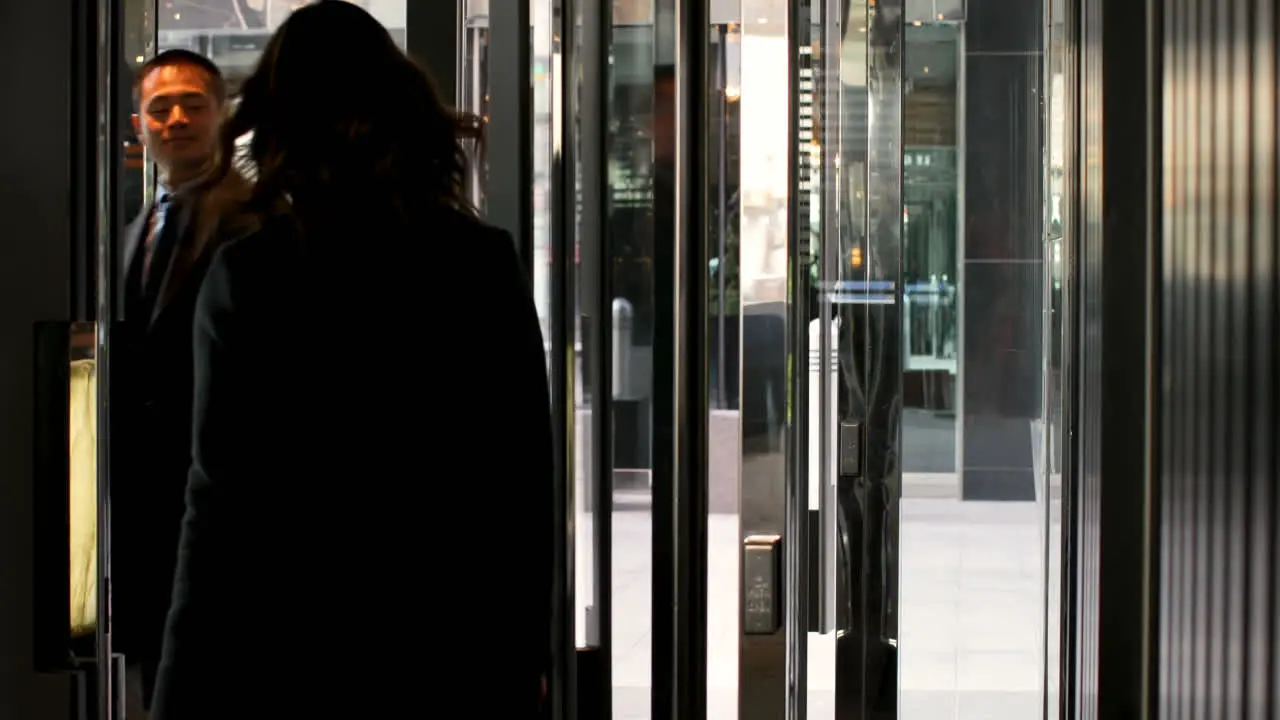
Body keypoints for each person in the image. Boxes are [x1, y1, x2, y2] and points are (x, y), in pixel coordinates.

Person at [149, 3, 554, 718]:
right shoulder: (479, 264)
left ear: (276, 126)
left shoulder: (251, 277)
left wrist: (176, 695)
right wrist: (523, 659)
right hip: (449, 655)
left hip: (293, 659)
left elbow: (217, 507)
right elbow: (518, 486)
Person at [112, 48, 250, 719]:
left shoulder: (253, 223)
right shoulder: (132, 233)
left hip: (223, 501)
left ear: (222, 115)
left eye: (193, 104)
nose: (175, 118)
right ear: (139, 125)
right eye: (158, 108)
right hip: (143, 515)